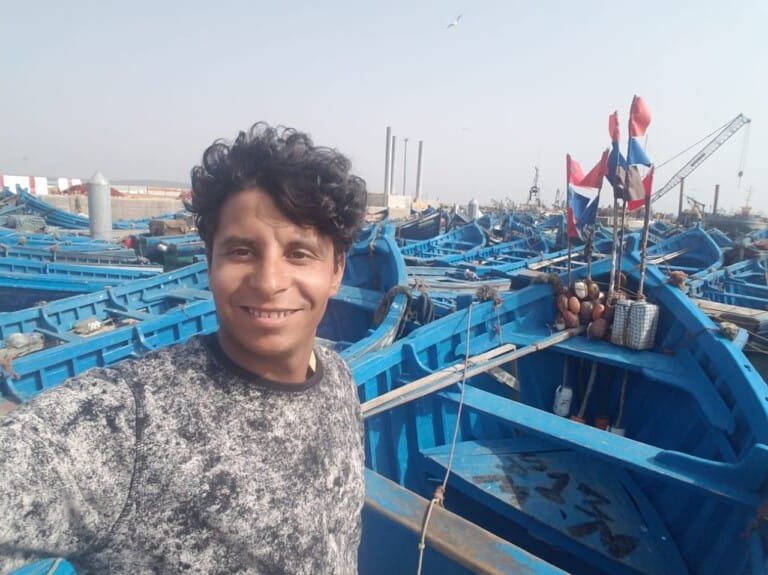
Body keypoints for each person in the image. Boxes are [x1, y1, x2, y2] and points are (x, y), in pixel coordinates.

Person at [0, 122, 368, 574]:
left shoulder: (338, 380)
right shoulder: (124, 423)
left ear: (336, 271)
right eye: (241, 251)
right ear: (209, 263)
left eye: (299, 253)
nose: (270, 282)